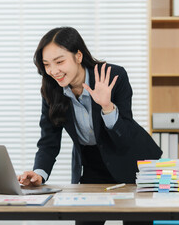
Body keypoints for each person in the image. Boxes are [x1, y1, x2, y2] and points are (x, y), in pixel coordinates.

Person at [18, 27, 162, 225]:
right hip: (92, 164)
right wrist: (39, 174)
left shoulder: (112, 76)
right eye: (47, 64)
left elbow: (126, 133)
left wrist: (107, 107)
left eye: (60, 62)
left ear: (78, 55)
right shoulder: (52, 90)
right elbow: (48, 141)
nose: (53, 71)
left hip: (132, 160)